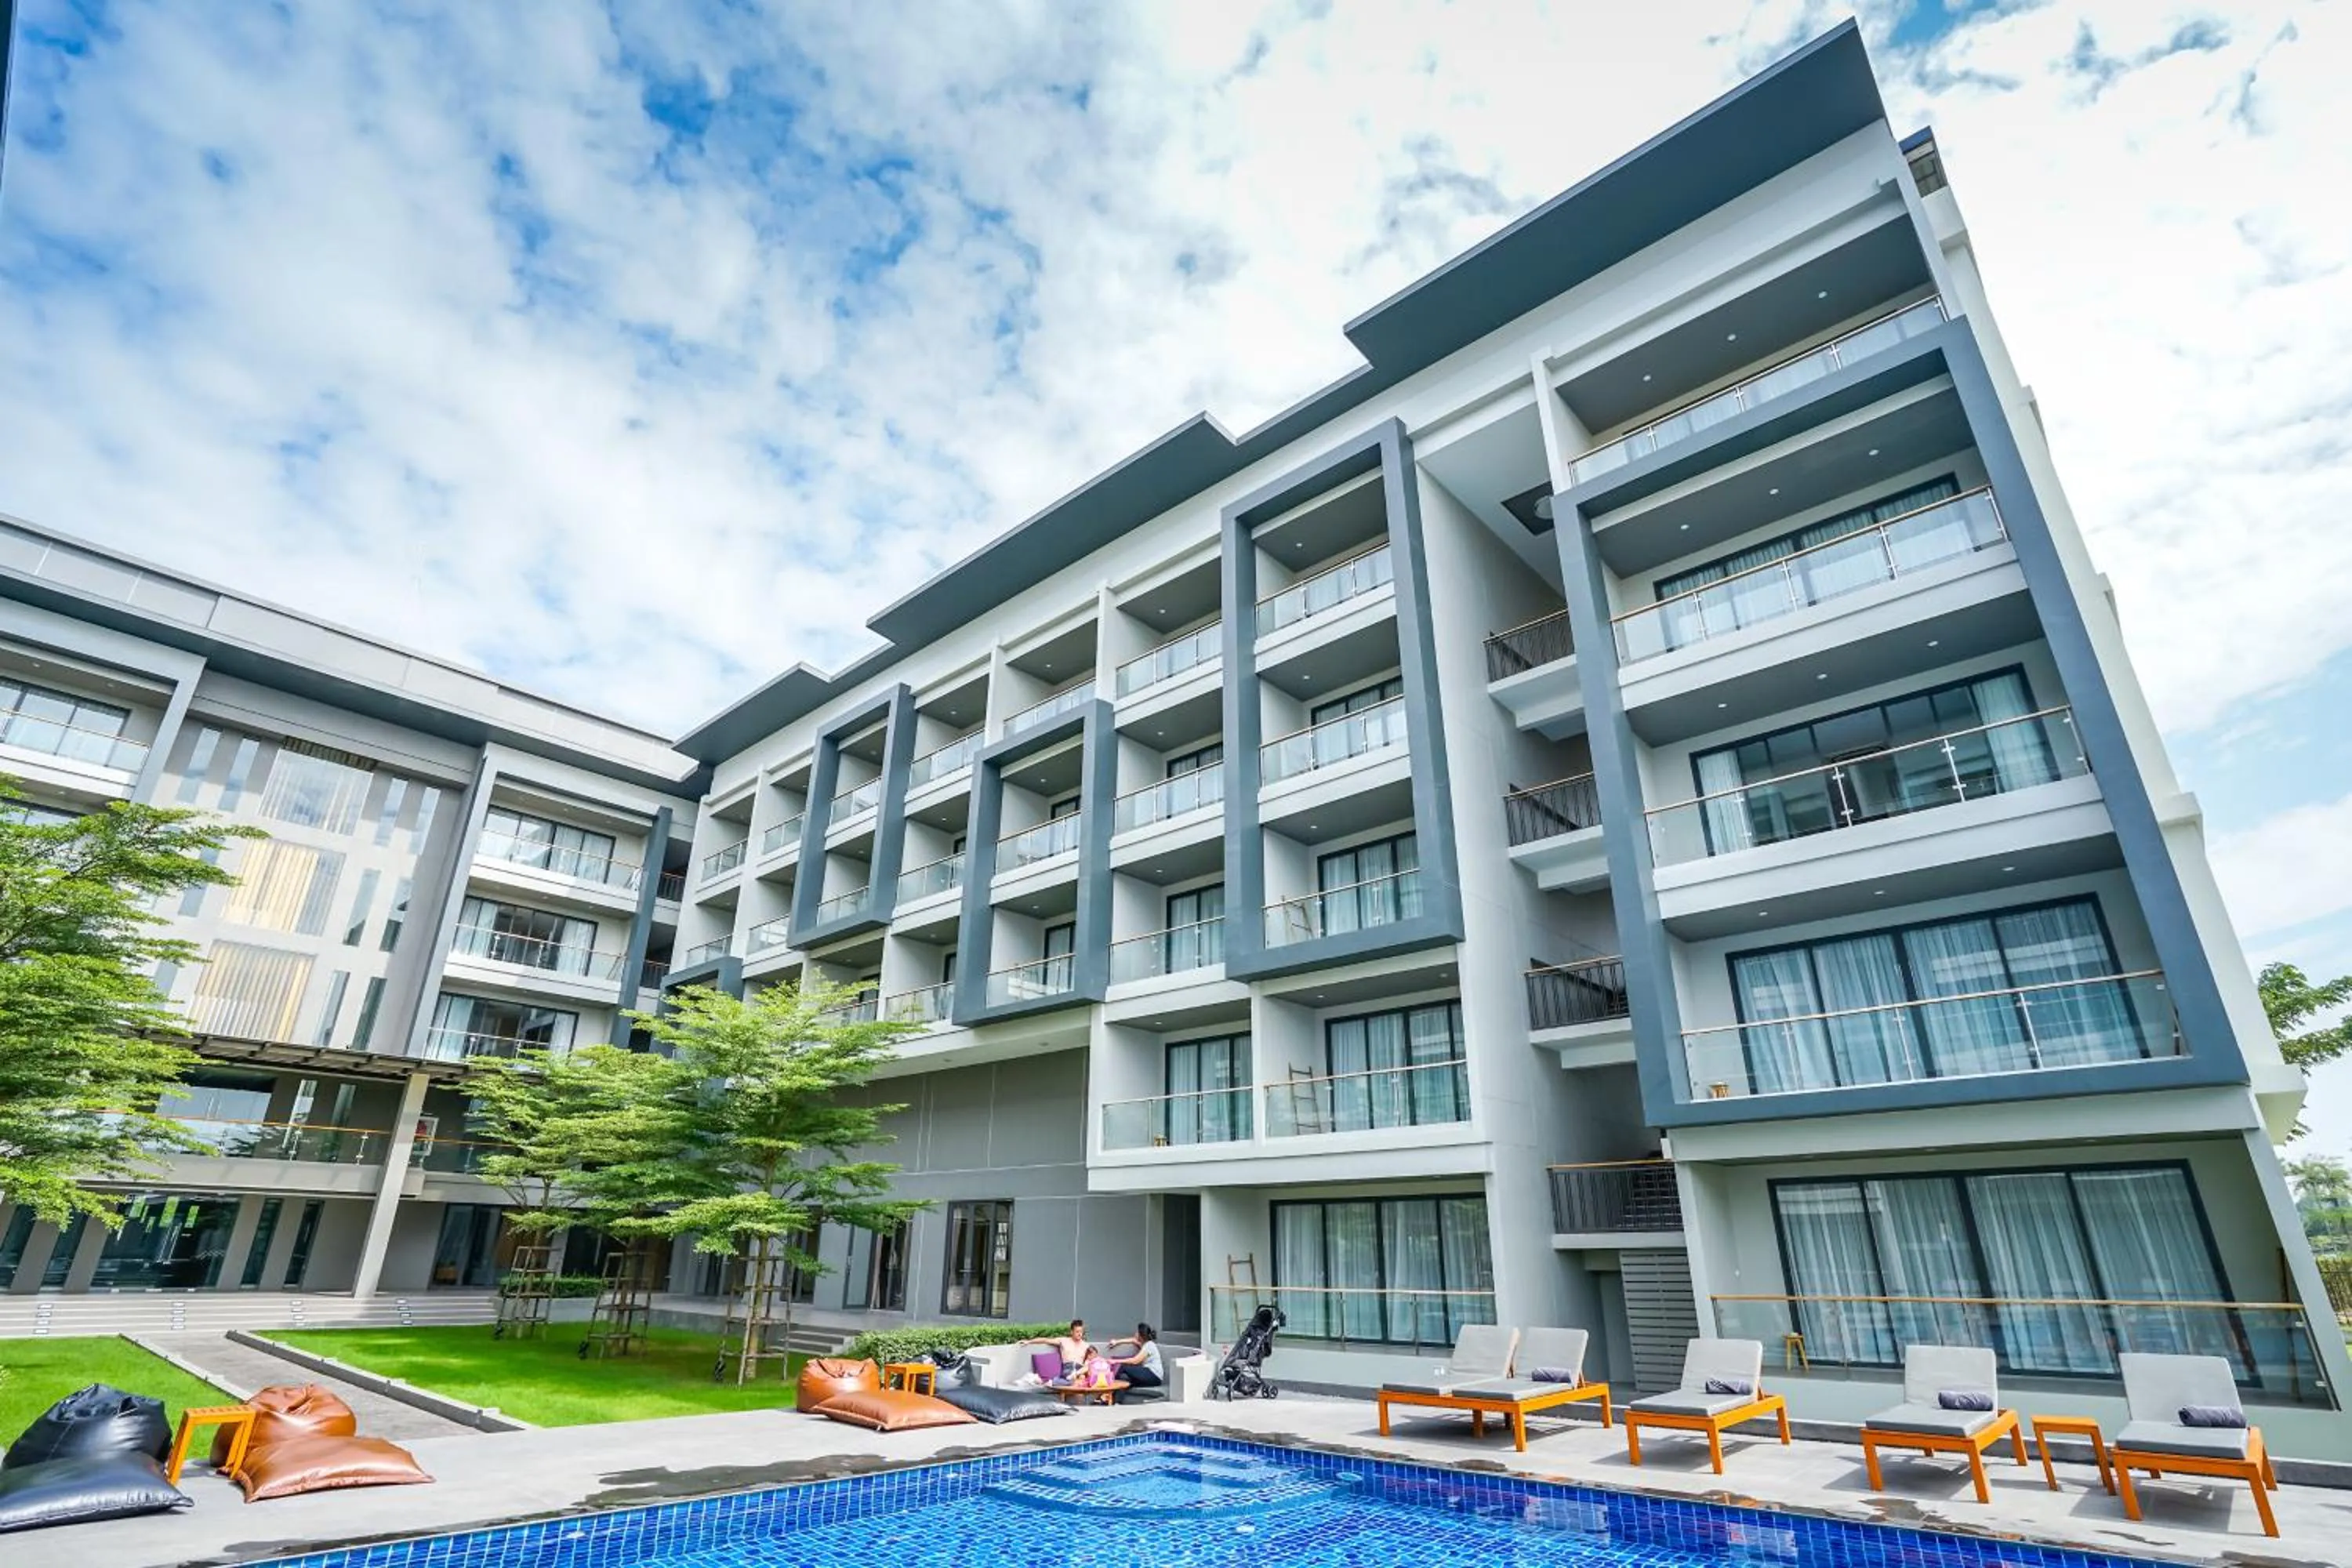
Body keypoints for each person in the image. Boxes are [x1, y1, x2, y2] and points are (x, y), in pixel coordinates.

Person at [1025, 1319, 1091, 1379]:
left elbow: (1091, 1361)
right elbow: (1046, 1340)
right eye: (1077, 1332)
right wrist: (1029, 1342)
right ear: (1072, 1332)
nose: (1080, 1334)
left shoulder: (1086, 1346)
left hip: (1080, 1369)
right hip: (1068, 1369)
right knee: (1077, 1379)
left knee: (1082, 1377)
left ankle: (1069, 1381)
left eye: (1081, 1332)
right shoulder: (1064, 1341)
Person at [1108, 1322, 1163, 1389]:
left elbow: (1135, 1361)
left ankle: (1109, 1382)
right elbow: (1133, 1340)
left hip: (1153, 1375)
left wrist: (1115, 1361)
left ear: (1141, 1336)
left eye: (1137, 1332)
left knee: (1123, 1367)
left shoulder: (1149, 1345)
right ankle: (1116, 1399)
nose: (1135, 1333)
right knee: (1125, 1382)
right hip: (1152, 1378)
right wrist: (1116, 1342)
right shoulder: (1144, 1344)